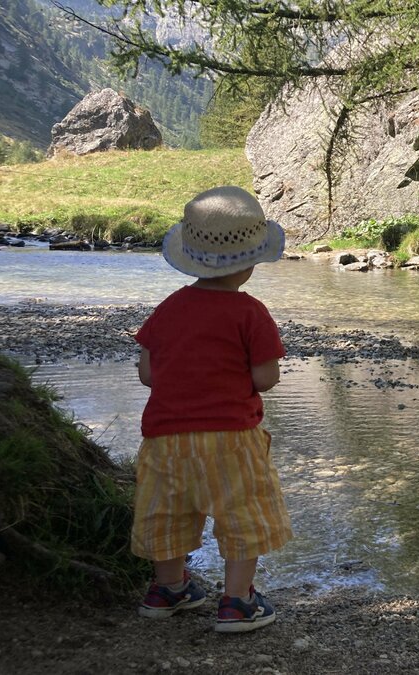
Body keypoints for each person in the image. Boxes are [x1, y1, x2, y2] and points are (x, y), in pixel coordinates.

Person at [132, 185, 291, 633]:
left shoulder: (169, 308)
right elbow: (265, 379)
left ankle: (168, 589)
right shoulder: (250, 313)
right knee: (242, 511)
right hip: (231, 437)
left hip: (165, 437)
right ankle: (237, 602)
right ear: (252, 262)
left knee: (167, 509)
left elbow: (148, 374)